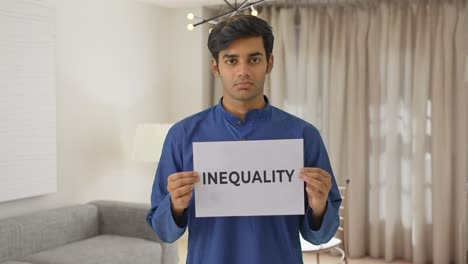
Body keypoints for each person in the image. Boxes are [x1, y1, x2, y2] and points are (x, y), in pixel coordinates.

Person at [146, 14, 341, 264]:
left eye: (254, 59)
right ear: (216, 67)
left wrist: (319, 206)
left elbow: (320, 236)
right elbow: (163, 232)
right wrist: (174, 206)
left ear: (269, 63)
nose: (243, 71)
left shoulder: (303, 135)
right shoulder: (182, 135)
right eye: (231, 60)